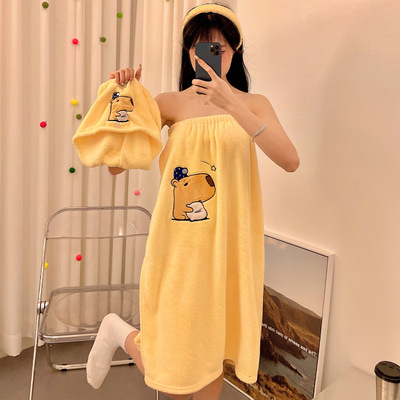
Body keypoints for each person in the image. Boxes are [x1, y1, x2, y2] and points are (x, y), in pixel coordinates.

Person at [86, 3, 299, 400]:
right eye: (199, 48)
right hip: (178, 244)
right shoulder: (168, 103)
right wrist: (124, 98)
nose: (208, 57)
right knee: (172, 360)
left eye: (219, 49)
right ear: (187, 53)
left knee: (212, 353)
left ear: (235, 52)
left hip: (230, 246)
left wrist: (231, 103)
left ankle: (120, 331)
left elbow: (290, 161)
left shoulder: (254, 105)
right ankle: (120, 332)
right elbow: (116, 166)